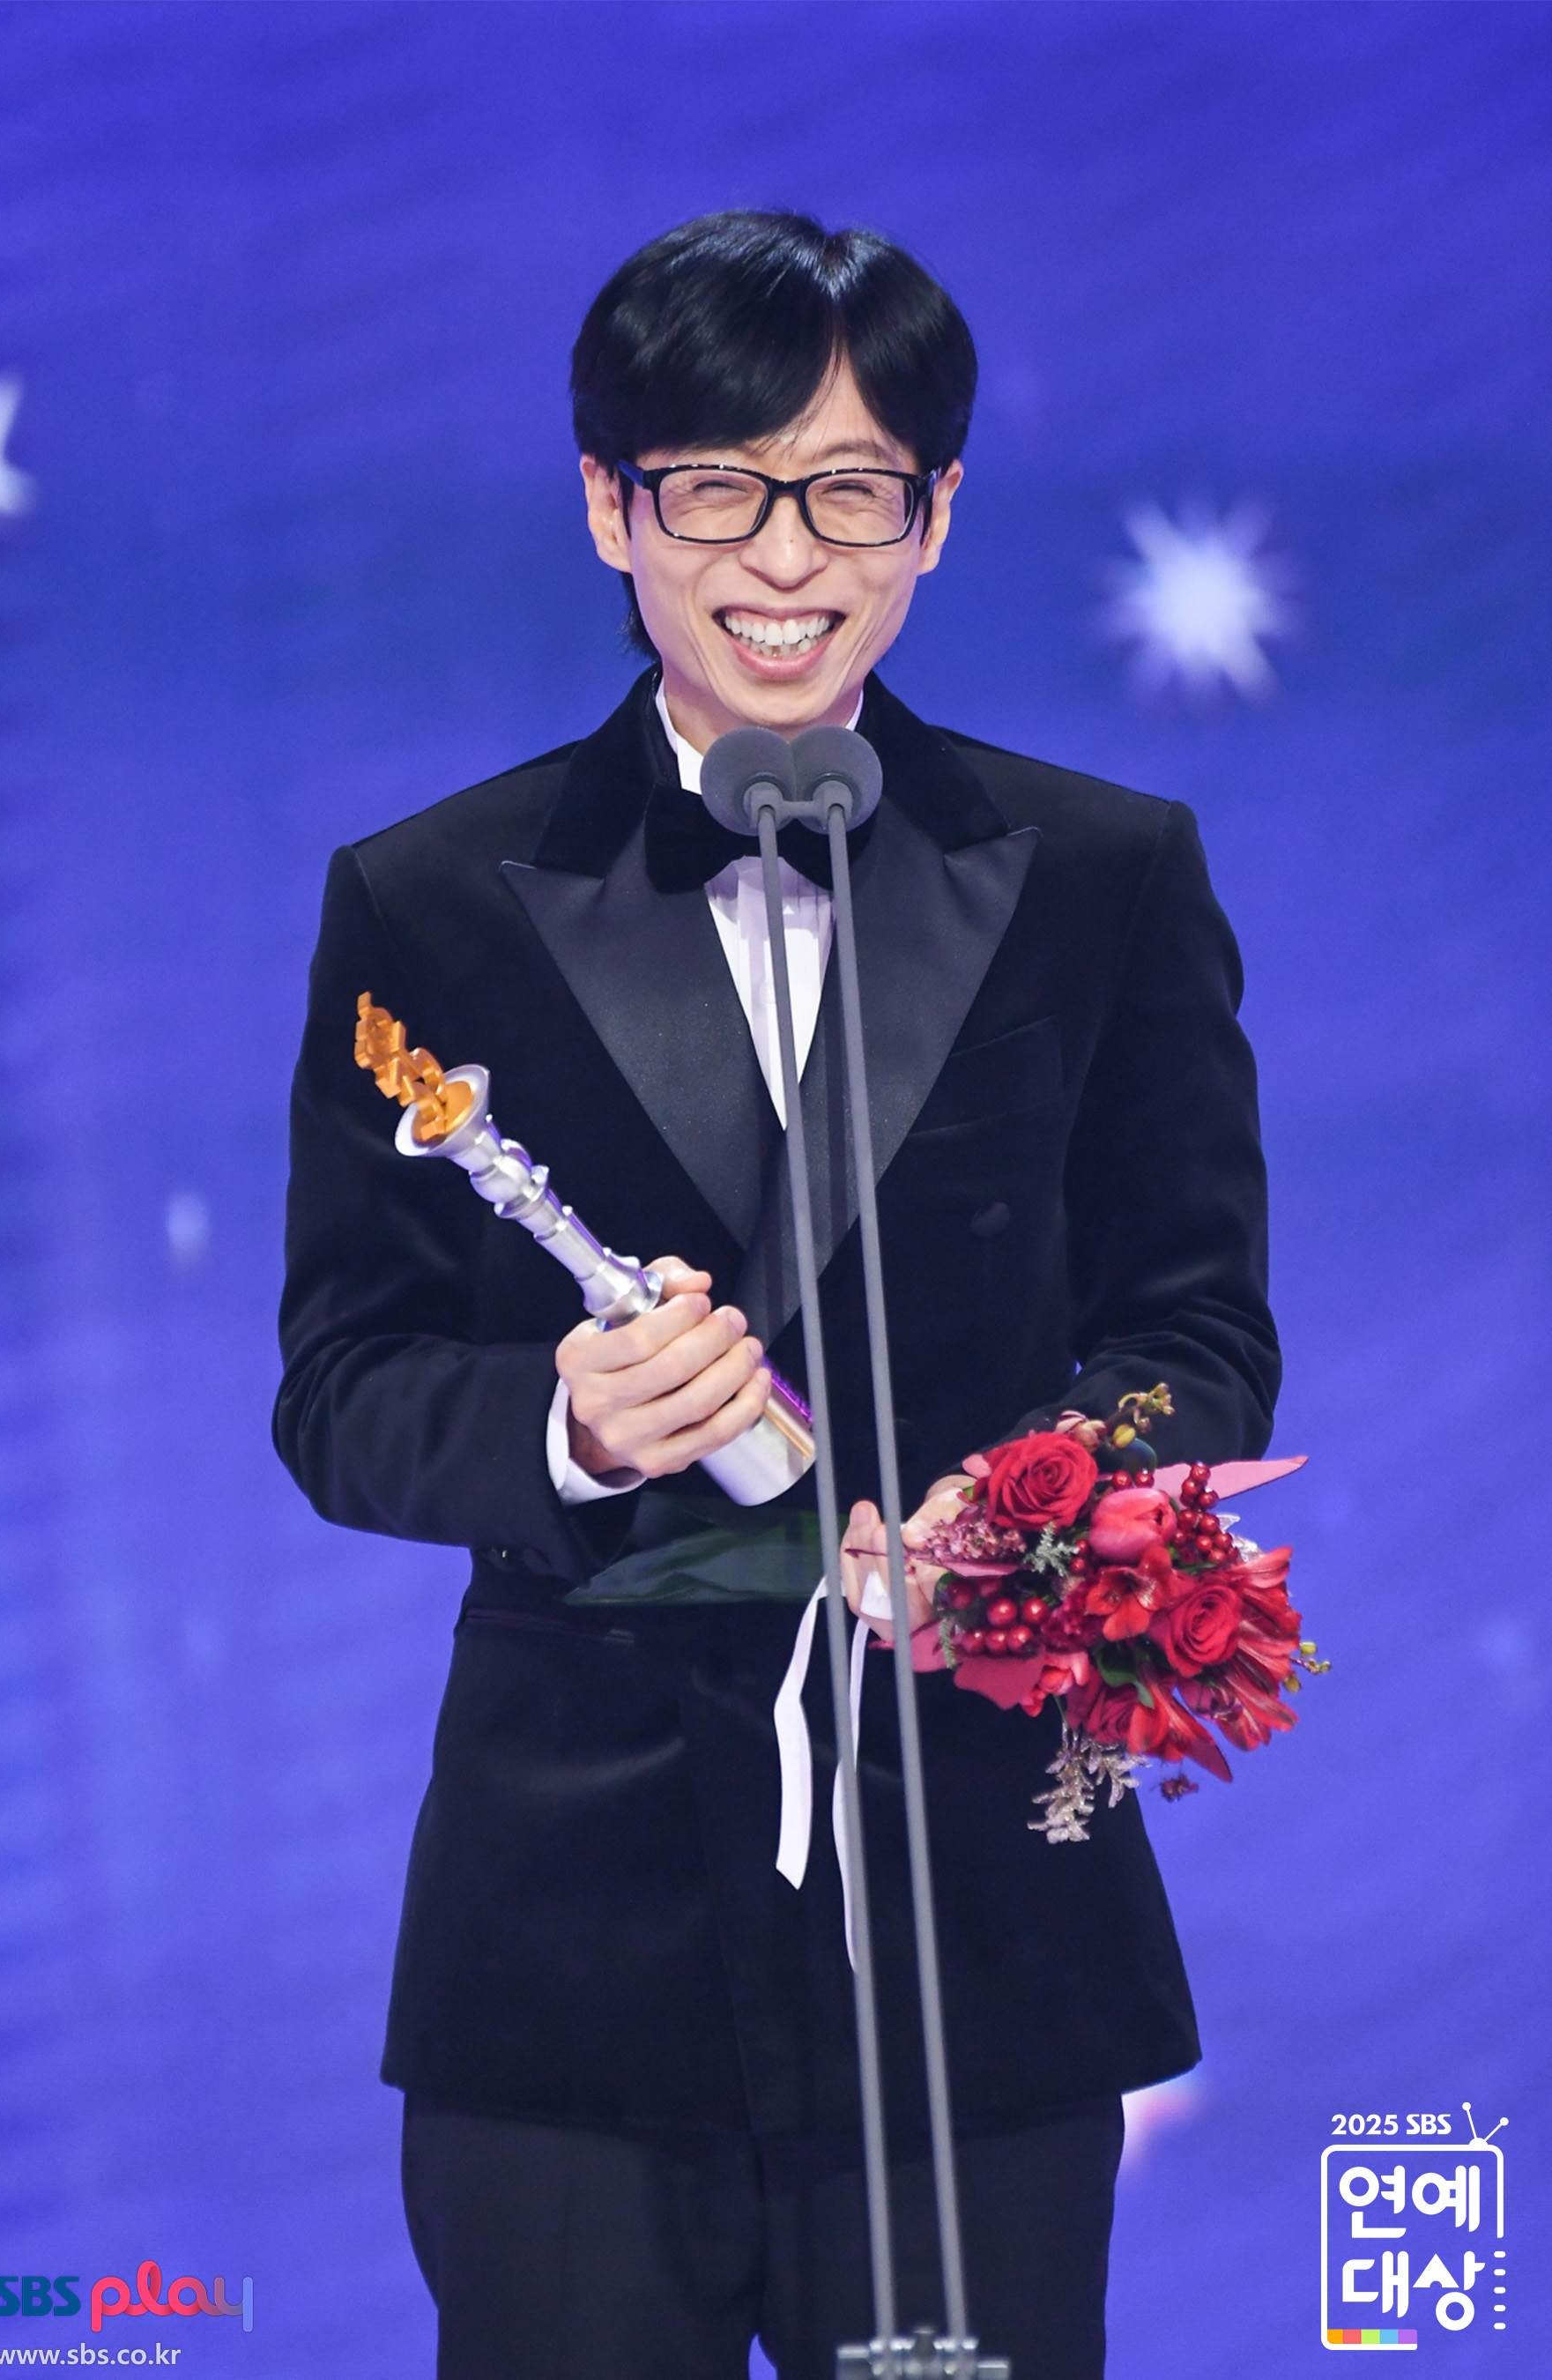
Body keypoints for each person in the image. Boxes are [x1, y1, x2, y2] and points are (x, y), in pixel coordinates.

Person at [275, 211, 1279, 2380]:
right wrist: (568, 1423)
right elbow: (341, 1387)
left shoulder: (1105, 876)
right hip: (575, 1931)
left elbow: (1199, 1342)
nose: (789, 557)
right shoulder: (429, 903)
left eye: (853, 491)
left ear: (938, 515)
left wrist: (1025, 1504)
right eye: (721, 487)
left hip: (980, 1908)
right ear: (609, 504)